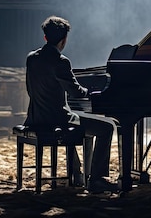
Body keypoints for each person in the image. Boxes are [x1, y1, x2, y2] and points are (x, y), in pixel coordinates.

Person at [24, 15, 118, 193]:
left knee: (77, 126)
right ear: (64, 40)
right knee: (106, 128)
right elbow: (76, 92)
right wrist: (89, 92)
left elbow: (31, 89)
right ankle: (97, 179)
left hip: (35, 117)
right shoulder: (61, 62)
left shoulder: (31, 58)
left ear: (45, 37)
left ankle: (77, 174)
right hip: (56, 120)